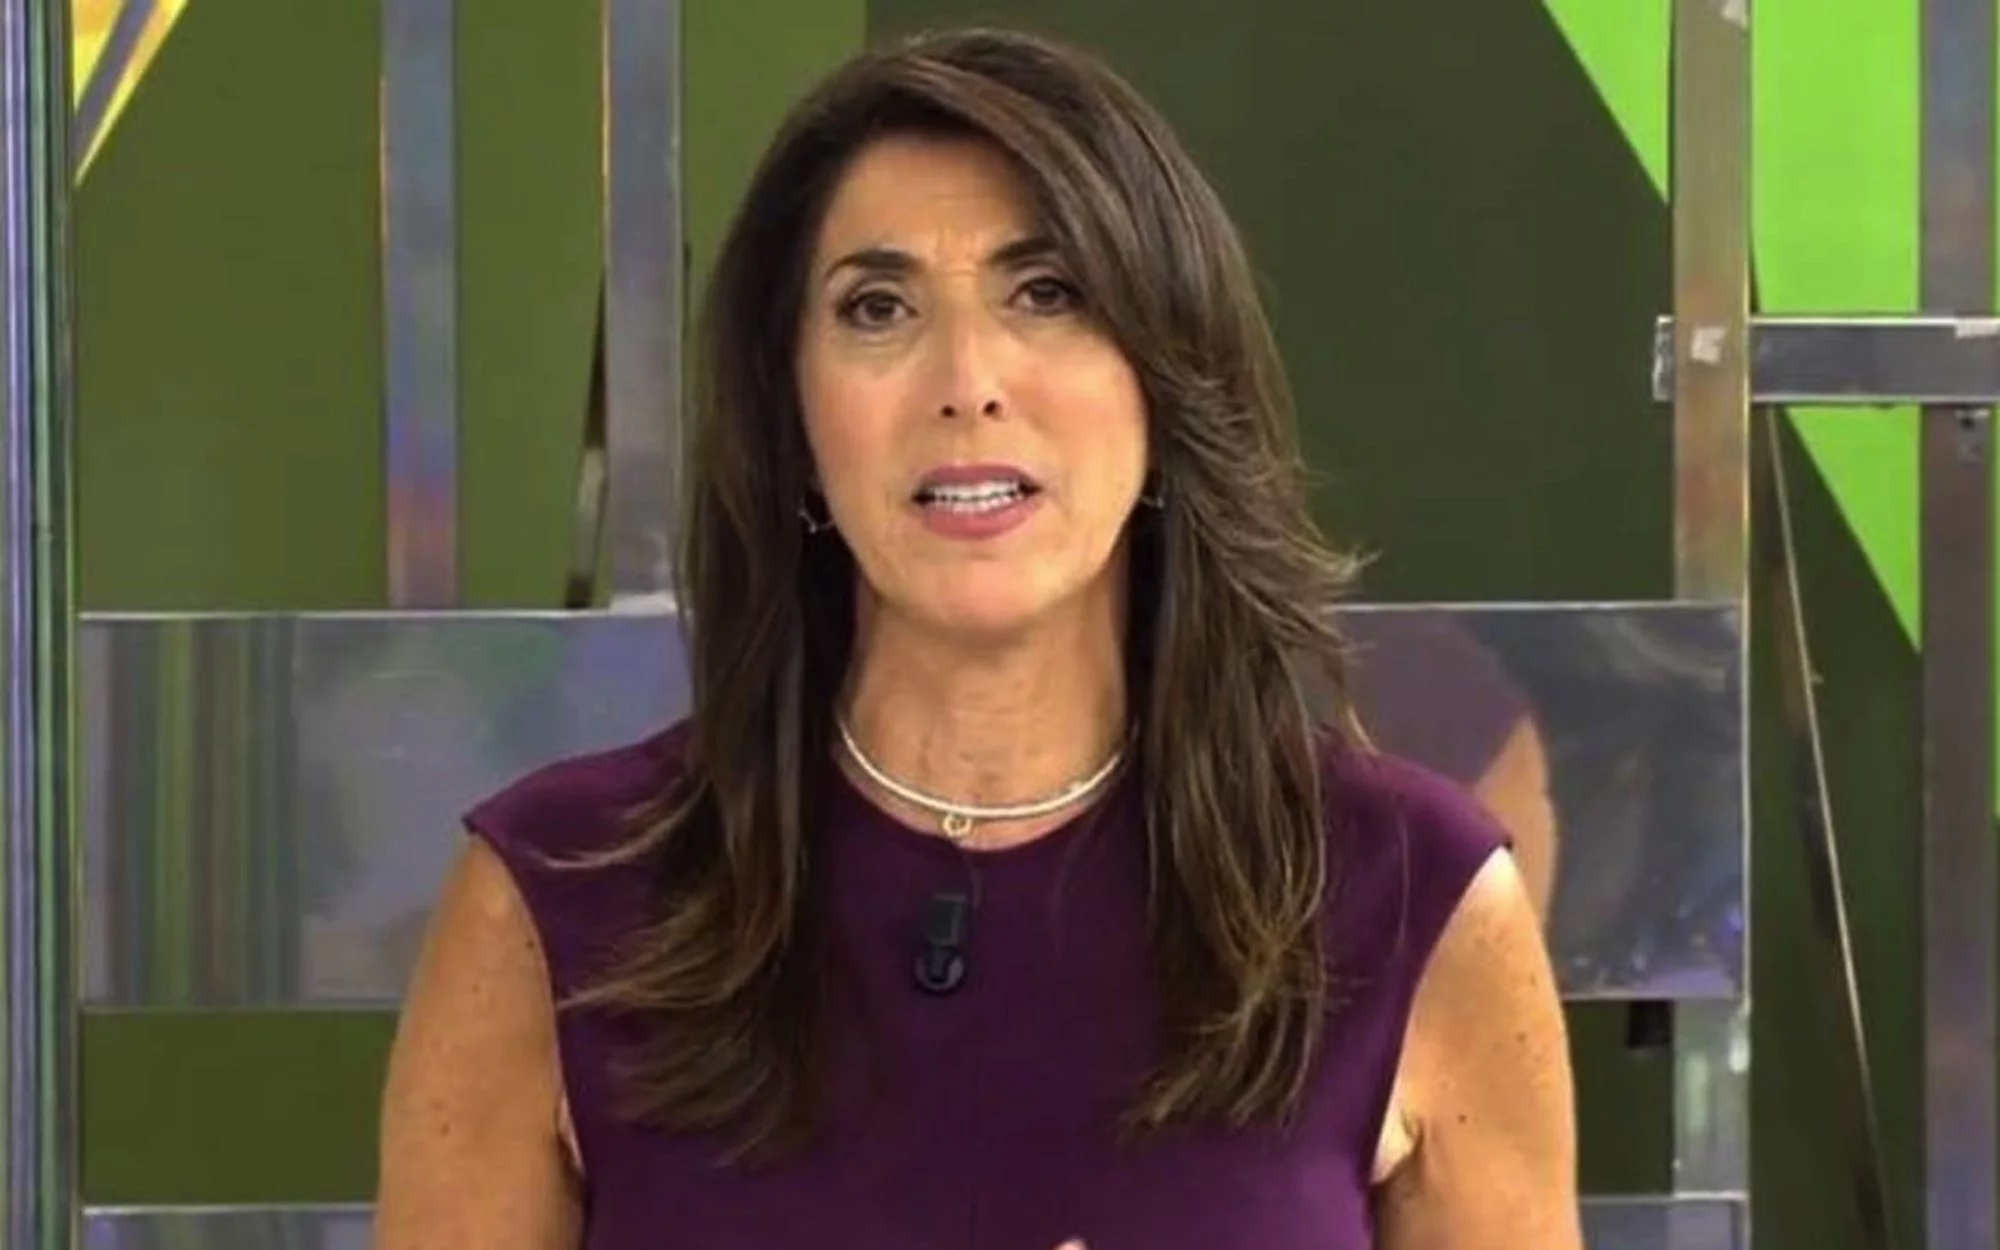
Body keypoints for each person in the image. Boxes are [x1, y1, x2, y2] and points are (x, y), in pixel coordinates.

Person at [371, 26, 1580, 1250]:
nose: (967, 380)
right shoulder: (552, 898)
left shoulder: (1413, 895)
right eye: (877, 307)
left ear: (1165, 376)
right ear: (793, 415)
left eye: (1046, 293)